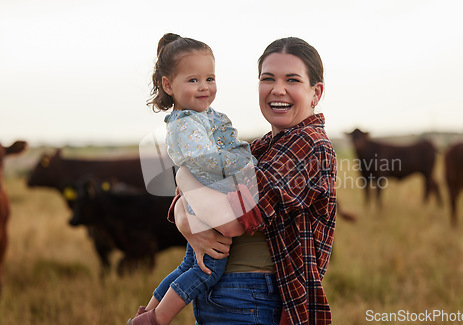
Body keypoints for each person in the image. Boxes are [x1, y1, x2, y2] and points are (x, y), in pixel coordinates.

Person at [169, 37, 337, 324]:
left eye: (292, 80)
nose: (277, 89)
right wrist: (186, 220)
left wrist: (183, 174)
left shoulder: (309, 144)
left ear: (315, 93)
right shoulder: (258, 148)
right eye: (267, 78)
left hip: (253, 298)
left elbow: (230, 219)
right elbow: (190, 198)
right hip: (223, 292)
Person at [128, 33, 256, 325]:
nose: (204, 87)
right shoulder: (186, 124)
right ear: (168, 84)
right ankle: (158, 319)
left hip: (203, 196)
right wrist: (244, 161)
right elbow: (206, 162)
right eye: (193, 80)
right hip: (209, 198)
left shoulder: (201, 116)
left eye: (210, 78)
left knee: (189, 262)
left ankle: (147, 312)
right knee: (209, 267)